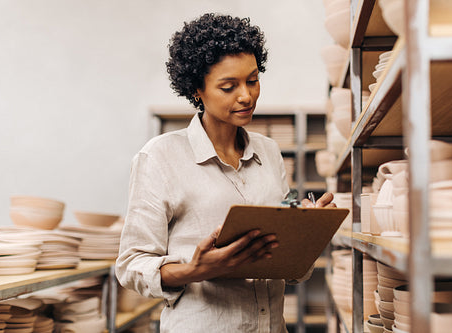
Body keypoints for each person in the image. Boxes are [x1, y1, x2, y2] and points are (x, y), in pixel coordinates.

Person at [116, 13, 335, 333]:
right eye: (228, 86)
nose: (246, 96)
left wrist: (305, 234)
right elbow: (132, 266)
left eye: (253, 80)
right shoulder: (160, 157)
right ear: (196, 91)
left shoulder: (270, 153)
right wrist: (194, 270)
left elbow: (291, 272)